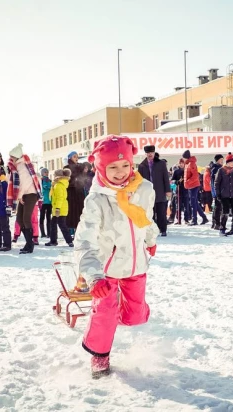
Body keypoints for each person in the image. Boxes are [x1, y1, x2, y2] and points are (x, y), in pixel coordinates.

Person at [74, 136, 158, 379]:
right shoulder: (96, 200)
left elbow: (147, 219)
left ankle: (111, 319)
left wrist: (150, 241)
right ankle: (100, 357)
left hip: (136, 262)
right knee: (105, 312)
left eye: (125, 165)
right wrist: (93, 276)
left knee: (135, 316)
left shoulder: (144, 189)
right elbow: (84, 241)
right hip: (106, 269)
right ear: (101, 167)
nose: (120, 172)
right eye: (113, 167)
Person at [7, 144, 42, 254]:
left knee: (26, 219)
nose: (10, 158)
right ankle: (29, 243)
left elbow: (25, 182)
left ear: (16, 156)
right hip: (24, 194)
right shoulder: (17, 166)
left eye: (12, 156)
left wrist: (20, 196)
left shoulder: (22, 166)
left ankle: (30, 244)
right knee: (19, 219)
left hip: (30, 194)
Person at [138, 145, 171, 236]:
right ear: (145, 154)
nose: (150, 154)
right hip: (148, 193)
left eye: (151, 152)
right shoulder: (142, 165)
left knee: (161, 212)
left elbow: (165, 178)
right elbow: (140, 180)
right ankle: (151, 231)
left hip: (160, 191)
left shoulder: (161, 163)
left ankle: (163, 229)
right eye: (148, 153)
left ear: (154, 153)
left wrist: (168, 190)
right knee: (149, 213)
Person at [214, 153, 233, 236]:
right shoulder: (221, 170)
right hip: (224, 195)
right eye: (230, 162)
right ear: (226, 162)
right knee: (225, 212)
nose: (232, 163)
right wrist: (218, 194)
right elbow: (217, 183)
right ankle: (222, 229)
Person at [46, 169, 74, 247]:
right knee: (54, 224)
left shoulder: (58, 185)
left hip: (59, 208)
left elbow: (60, 198)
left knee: (61, 225)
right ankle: (54, 241)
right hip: (59, 208)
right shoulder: (59, 184)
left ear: (57, 176)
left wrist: (57, 208)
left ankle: (68, 241)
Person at [183, 150, 208, 226]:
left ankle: (195, 220)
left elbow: (195, 176)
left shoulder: (191, 164)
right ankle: (204, 217)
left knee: (193, 203)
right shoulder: (188, 164)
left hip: (193, 185)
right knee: (195, 203)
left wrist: (187, 182)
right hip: (191, 185)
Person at [64, 151, 86, 234]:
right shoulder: (66, 168)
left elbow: (83, 179)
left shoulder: (80, 167)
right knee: (71, 212)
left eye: (77, 156)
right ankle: (70, 232)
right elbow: (67, 180)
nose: (76, 158)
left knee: (80, 211)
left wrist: (83, 171)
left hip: (79, 192)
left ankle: (79, 231)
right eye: (74, 156)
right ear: (70, 158)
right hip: (71, 193)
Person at [170, 159, 191, 224]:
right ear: (179, 164)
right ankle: (178, 219)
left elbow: (190, 179)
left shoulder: (186, 170)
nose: (181, 164)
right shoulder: (176, 171)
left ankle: (186, 219)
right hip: (178, 190)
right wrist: (177, 181)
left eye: (183, 163)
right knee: (178, 205)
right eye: (180, 163)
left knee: (186, 206)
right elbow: (172, 181)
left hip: (185, 190)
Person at [210, 154, 224, 229]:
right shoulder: (216, 169)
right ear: (217, 160)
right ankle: (217, 223)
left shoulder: (220, 168)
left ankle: (215, 223)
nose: (222, 161)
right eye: (221, 160)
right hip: (218, 192)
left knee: (218, 208)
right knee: (218, 208)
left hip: (221, 191)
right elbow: (213, 182)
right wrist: (215, 193)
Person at [39, 167, 52, 238]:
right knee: (41, 217)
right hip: (43, 202)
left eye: (47, 172)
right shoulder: (41, 181)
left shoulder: (50, 180)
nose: (47, 173)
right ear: (42, 173)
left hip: (49, 202)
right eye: (45, 172)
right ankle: (42, 233)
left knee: (48, 218)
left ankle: (49, 233)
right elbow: (42, 188)